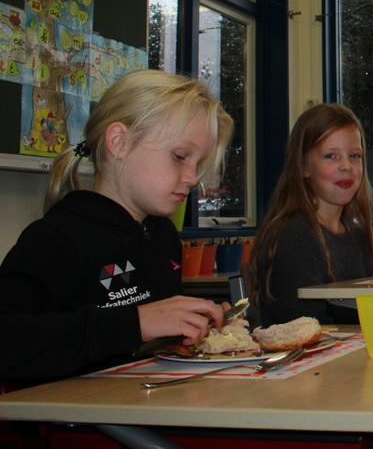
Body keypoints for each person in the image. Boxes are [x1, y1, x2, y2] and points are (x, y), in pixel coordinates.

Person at [0, 70, 233, 381]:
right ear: (119, 142)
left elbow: (152, 347)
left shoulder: (162, 236)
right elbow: (9, 341)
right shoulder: (55, 240)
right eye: (179, 157)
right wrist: (134, 323)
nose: (192, 178)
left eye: (198, 164)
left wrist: (194, 325)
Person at [248, 104, 373, 326]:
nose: (346, 166)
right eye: (331, 156)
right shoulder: (292, 235)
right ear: (304, 166)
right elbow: (304, 328)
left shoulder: (357, 234)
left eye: (355, 155)